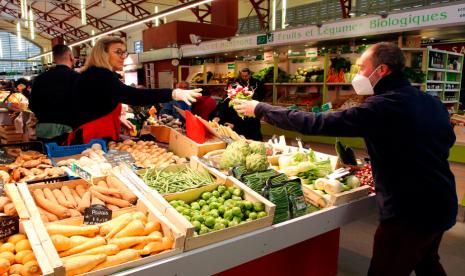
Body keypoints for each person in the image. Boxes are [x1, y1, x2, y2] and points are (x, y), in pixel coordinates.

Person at [234, 42, 457, 276]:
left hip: (410, 212)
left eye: (361, 68)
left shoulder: (383, 106)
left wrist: (261, 109)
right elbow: (447, 139)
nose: (357, 74)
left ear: (381, 70)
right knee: (427, 261)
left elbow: (317, 123)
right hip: (441, 198)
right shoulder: (430, 101)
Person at [69, 36, 201, 144]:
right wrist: (173, 93)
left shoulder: (93, 74)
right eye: (118, 52)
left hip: (95, 135)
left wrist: (118, 119)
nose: (123, 56)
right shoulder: (100, 75)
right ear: (102, 54)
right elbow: (133, 95)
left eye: (124, 52)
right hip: (91, 138)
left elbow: (95, 104)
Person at [29, 44, 78, 144]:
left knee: (45, 158)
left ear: (54, 58)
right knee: (68, 159)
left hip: (44, 131)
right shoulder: (77, 78)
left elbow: (32, 105)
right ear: (70, 56)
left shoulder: (39, 79)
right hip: (69, 132)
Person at [214, 68, 266, 140]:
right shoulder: (227, 98)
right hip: (233, 133)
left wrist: (235, 126)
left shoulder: (249, 97)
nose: (230, 91)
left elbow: (251, 119)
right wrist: (218, 117)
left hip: (249, 133)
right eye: (229, 88)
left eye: (233, 88)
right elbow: (222, 110)